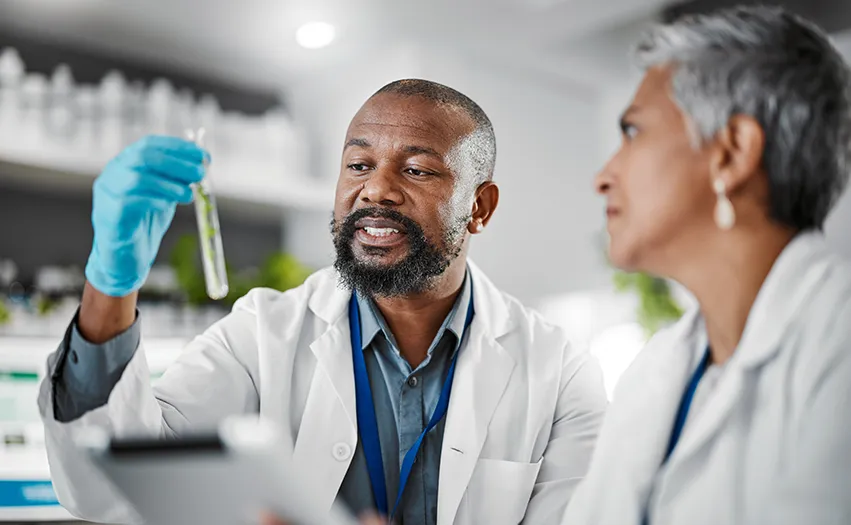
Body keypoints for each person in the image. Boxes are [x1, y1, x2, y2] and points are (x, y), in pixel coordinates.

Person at [38, 79, 608, 525]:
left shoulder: (559, 373)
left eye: (415, 169)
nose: (377, 189)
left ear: (480, 207)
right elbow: (109, 490)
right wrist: (110, 285)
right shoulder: (261, 335)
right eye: (359, 165)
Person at [562, 5, 851, 525]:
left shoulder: (839, 339)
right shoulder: (655, 370)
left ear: (731, 152)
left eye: (632, 132)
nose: (603, 176)